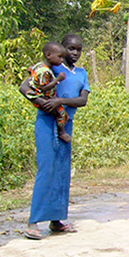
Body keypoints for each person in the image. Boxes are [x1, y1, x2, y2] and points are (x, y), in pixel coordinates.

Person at [19, 34, 90, 240]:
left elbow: (82, 100)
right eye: (70, 49)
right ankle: (33, 222)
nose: (74, 53)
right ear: (60, 50)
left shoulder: (82, 73)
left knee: (62, 171)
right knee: (46, 168)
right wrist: (43, 103)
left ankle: (57, 220)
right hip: (47, 121)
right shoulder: (51, 67)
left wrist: (59, 100)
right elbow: (25, 87)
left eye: (79, 49)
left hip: (66, 123)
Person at [26, 42, 72, 143]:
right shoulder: (44, 72)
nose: (61, 60)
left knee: (62, 114)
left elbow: (30, 70)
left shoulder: (39, 66)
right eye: (59, 57)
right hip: (43, 97)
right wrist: (57, 80)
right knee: (62, 114)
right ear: (48, 55)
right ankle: (62, 132)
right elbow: (44, 88)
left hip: (42, 96)